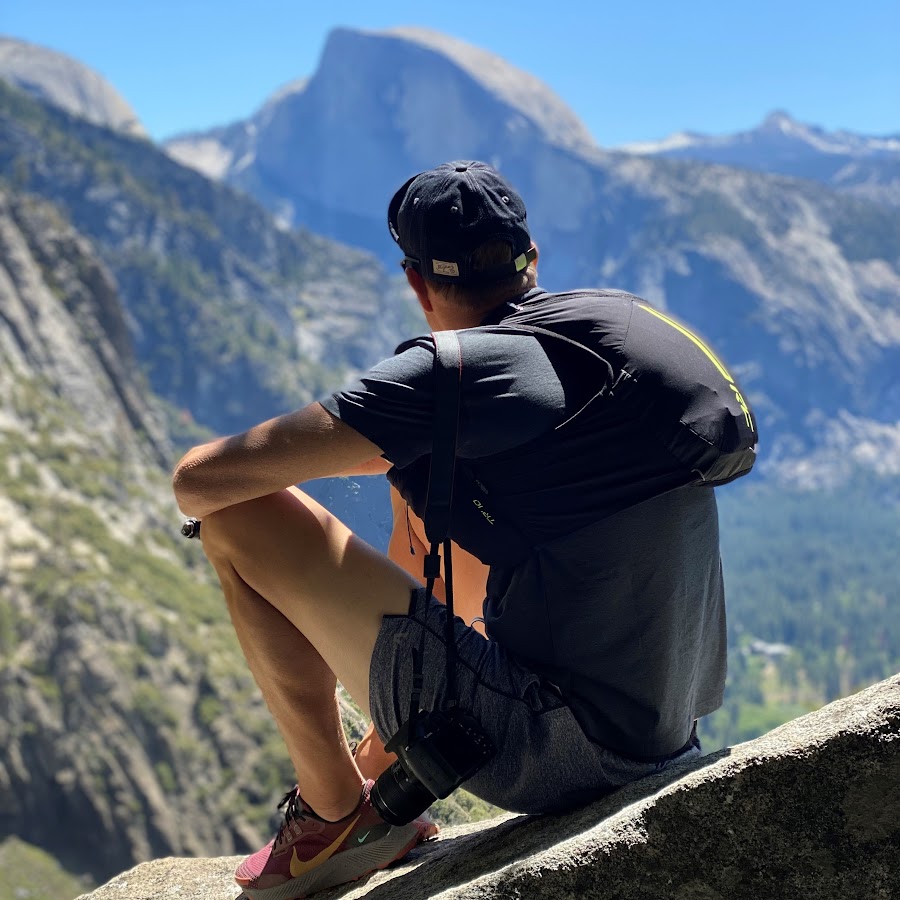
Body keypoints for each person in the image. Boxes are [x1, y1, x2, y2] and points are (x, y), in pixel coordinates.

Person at [172, 160, 757, 899]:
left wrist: (356, 441)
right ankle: (376, 776)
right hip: (665, 731)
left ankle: (332, 816)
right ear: (530, 259)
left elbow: (199, 480)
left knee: (235, 517)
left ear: (417, 283)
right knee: (427, 474)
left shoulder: (448, 380)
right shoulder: (605, 338)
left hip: (557, 752)